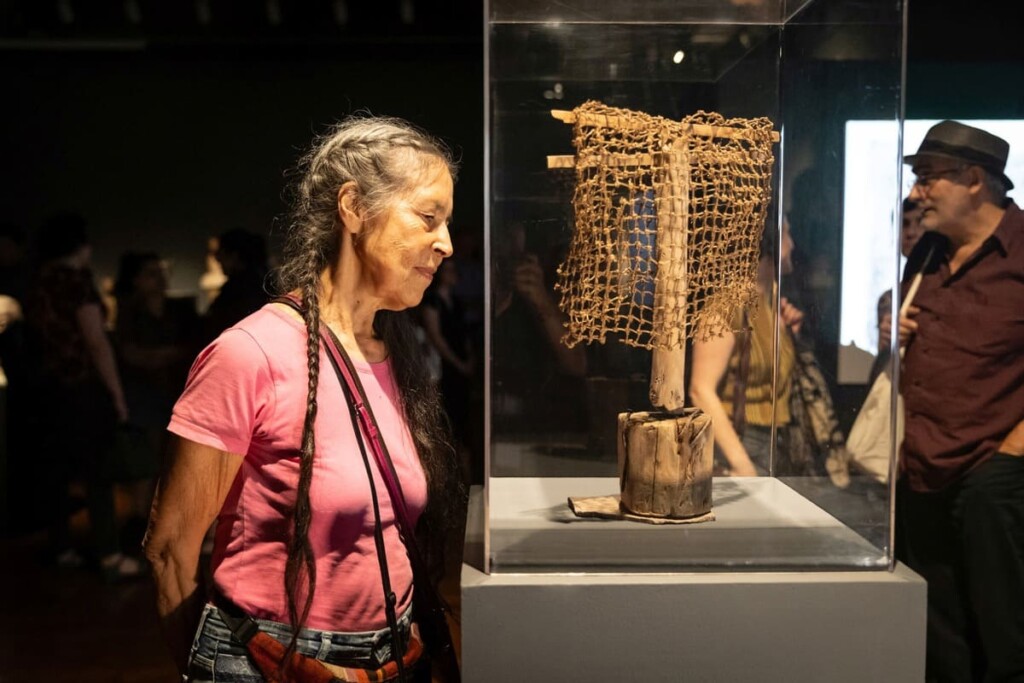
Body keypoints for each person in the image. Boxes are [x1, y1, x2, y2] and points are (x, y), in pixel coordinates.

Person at [144, 115, 464, 681]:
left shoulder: (394, 350)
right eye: (427, 217)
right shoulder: (252, 353)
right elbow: (170, 548)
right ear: (354, 208)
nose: (445, 243)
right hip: (269, 656)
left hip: (389, 656)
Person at [897, 120, 1024, 682]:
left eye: (929, 177)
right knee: (939, 638)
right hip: (923, 465)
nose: (916, 192)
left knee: (1005, 634)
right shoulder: (926, 252)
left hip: (992, 478)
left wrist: (1012, 457)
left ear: (974, 180)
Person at [23, 212, 144, 580]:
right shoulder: (75, 282)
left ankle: (63, 548)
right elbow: (95, 340)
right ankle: (109, 555)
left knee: (57, 472)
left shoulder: (39, 282)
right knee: (98, 472)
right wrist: (117, 395)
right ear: (80, 245)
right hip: (82, 389)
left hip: (48, 389)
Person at [689, 217, 804, 476]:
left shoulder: (774, 303)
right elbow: (700, 389)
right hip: (742, 441)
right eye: (786, 233)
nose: (792, 244)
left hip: (778, 441)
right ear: (768, 240)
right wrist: (741, 464)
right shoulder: (729, 305)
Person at [112, 250, 200, 550]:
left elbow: (193, 346)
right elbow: (130, 354)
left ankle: (171, 528)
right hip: (145, 396)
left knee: (177, 461)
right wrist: (167, 354)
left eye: (161, 271)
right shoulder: (130, 312)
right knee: (147, 465)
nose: (160, 278)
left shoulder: (179, 310)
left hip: (178, 394)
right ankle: (142, 529)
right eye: (151, 273)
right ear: (136, 280)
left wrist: (158, 356)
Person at [870, 196, 925, 383]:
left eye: (920, 223)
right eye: (904, 224)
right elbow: (883, 366)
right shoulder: (889, 299)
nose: (911, 232)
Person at [201, 226, 270, 344]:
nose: (217, 259)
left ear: (234, 255)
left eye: (221, 253)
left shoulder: (238, 290)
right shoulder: (261, 283)